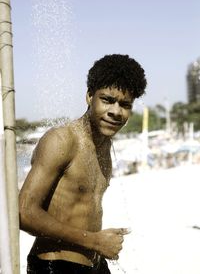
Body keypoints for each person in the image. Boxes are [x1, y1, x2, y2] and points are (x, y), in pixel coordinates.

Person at [19, 54, 147, 274]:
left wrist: (97, 246)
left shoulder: (105, 145)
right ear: (89, 96)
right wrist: (95, 241)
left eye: (125, 104)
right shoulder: (62, 140)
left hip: (94, 264)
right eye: (107, 100)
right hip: (55, 266)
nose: (116, 111)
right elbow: (24, 212)